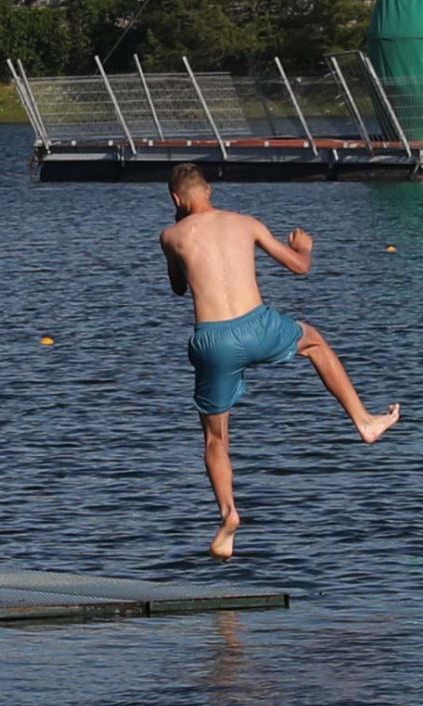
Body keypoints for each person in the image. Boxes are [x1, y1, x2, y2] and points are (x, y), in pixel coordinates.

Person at [160, 163, 400, 560]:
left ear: (176, 199)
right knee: (315, 343)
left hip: (213, 340)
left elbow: (177, 288)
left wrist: (177, 237)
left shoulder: (171, 236)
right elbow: (300, 267)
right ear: (209, 191)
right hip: (258, 327)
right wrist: (304, 246)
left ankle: (228, 517)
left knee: (216, 439)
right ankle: (364, 421)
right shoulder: (245, 223)